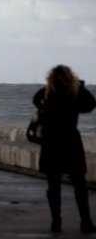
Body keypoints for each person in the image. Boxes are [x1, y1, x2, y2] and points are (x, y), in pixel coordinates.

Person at [33, 65, 96, 233]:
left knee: (53, 186)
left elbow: (35, 100)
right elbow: (90, 104)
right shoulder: (74, 93)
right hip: (70, 143)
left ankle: (56, 222)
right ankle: (86, 222)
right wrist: (80, 86)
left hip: (51, 144)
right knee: (79, 185)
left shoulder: (47, 93)